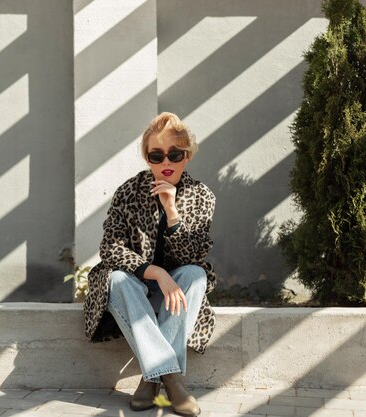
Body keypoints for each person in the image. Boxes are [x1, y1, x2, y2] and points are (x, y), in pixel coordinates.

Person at [83, 112, 217, 417]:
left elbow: (193, 256)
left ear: (187, 156)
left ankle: (151, 378)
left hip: (177, 296)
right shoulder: (128, 192)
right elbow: (109, 247)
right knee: (115, 279)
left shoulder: (202, 196)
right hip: (133, 293)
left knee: (196, 274)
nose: (166, 162)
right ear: (147, 158)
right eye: (156, 155)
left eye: (175, 154)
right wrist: (154, 272)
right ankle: (172, 380)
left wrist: (172, 212)